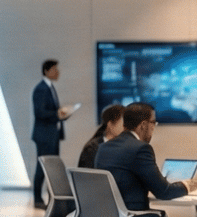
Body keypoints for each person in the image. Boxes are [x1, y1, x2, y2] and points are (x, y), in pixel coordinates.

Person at [32, 59, 71, 208]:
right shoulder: (41, 89)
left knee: (51, 167)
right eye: (55, 69)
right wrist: (58, 114)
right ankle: (37, 199)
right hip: (45, 135)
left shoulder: (50, 88)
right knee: (43, 167)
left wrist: (62, 114)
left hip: (52, 134)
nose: (58, 72)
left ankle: (51, 198)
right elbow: (40, 112)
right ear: (47, 71)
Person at [76, 104, 126, 169]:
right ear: (110, 124)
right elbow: (85, 176)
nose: (126, 127)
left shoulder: (127, 146)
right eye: (124, 123)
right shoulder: (92, 148)